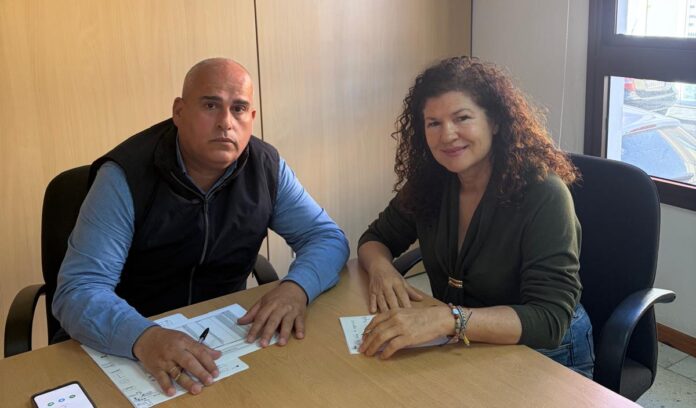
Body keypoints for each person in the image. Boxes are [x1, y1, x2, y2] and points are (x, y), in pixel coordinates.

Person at [53, 58, 349, 396]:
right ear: (179, 112)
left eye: (239, 109)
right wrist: (144, 337)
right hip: (126, 345)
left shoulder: (267, 168)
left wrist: (297, 287)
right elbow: (79, 290)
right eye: (210, 105)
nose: (226, 122)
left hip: (224, 340)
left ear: (252, 118)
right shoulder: (125, 176)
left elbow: (326, 237)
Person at [357, 56, 594, 378]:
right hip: (466, 340)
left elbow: (549, 320)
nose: (447, 135)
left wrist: (448, 319)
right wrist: (383, 270)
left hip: (545, 352)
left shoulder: (543, 194)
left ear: (494, 121)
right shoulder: (431, 182)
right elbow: (375, 239)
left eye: (462, 118)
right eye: (434, 123)